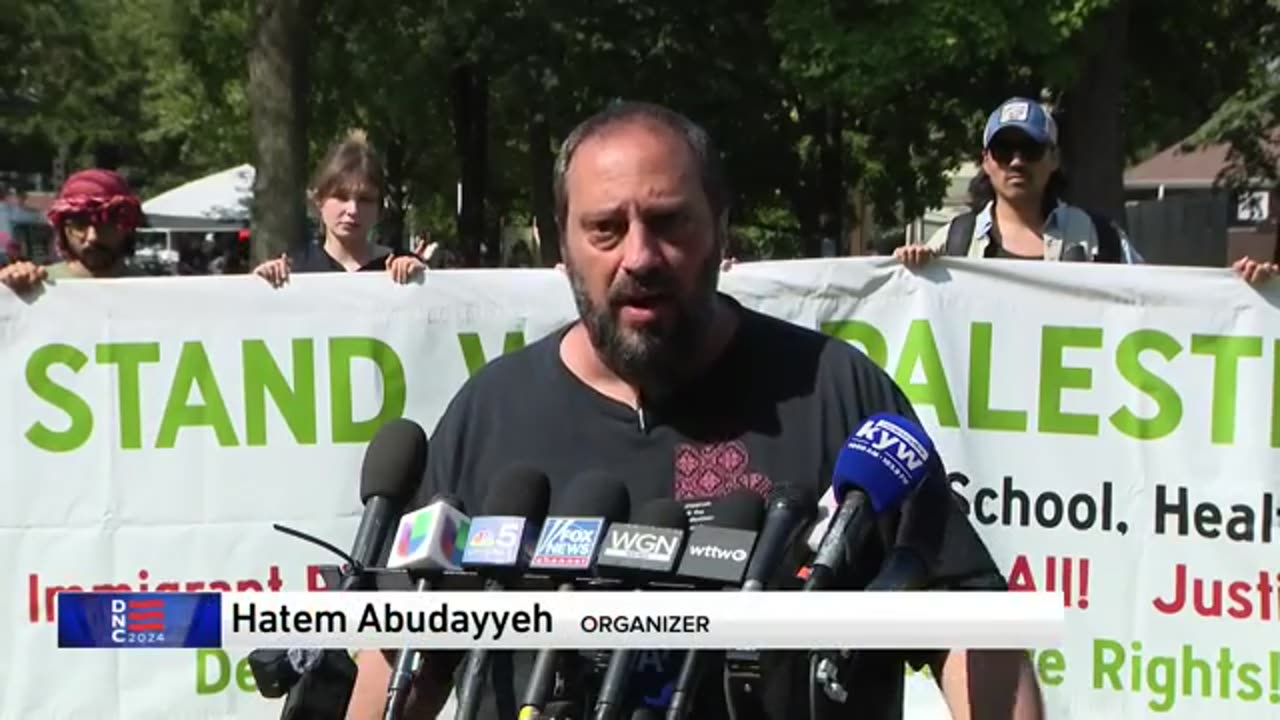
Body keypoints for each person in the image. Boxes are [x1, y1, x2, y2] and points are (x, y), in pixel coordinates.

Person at [347, 102, 1042, 720]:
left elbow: (970, 625)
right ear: (563, 246)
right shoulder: (489, 414)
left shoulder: (836, 393)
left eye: (670, 222)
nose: (640, 256)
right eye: (606, 229)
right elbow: (405, 656)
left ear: (721, 231)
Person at [896, 97, 1278, 284]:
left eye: (1030, 150)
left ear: (1054, 159)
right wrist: (908, 269)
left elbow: (1161, 300)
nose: (1016, 162)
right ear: (986, 160)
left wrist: (1239, 289)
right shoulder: (955, 240)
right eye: (1003, 150)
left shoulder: (1102, 240)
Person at [253, 130, 426, 286]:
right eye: (341, 197)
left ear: (379, 208)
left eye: (365, 200)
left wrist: (422, 280)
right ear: (319, 200)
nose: (353, 210)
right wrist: (260, 284)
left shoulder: (403, 265)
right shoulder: (294, 270)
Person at [0, 169, 146, 291]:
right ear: (63, 228)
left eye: (105, 224)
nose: (92, 237)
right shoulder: (37, 286)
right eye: (79, 225)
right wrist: (8, 284)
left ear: (127, 227)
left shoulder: (154, 294)